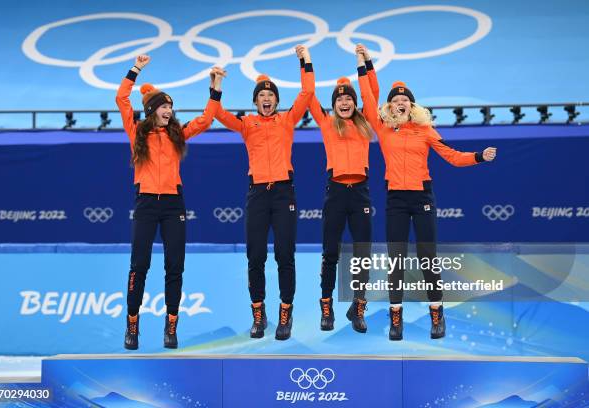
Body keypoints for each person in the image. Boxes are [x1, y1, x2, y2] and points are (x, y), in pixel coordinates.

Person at [355, 44, 497, 341]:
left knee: (427, 258)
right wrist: (365, 63)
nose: (401, 102)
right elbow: (368, 96)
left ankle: (437, 316)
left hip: (422, 198)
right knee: (395, 260)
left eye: (405, 99)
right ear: (390, 107)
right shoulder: (382, 128)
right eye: (396, 100)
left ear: (412, 106)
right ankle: (396, 320)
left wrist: (479, 156)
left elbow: (452, 156)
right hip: (395, 198)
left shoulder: (425, 130)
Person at [116, 54, 223, 350]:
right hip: (147, 204)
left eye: (171, 106)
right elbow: (121, 98)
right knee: (139, 266)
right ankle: (132, 327)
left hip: (174, 205)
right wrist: (135, 69)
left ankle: (171, 328)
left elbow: (206, 118)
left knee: (175, 267)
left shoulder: (178, 134)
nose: (169, 110)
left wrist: (215, 88)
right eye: (164, 106)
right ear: (152, 110)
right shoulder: (138, 131)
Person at [209, 45, 314, 340]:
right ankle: (258, 315)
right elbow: (215, 112)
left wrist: (305, 61)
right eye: (261, 97)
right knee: (255, 257)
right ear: (255, 102)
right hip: (257, 194)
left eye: (270, 97)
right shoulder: (246, 124)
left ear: (276, 101)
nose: (266, 100)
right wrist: (216, 84)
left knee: (285, 256)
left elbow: (306, 94)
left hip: (283, 194)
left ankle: (285, 315)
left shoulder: (287, 120)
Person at [299, 45, 373, 333]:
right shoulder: (327, 123)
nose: (344, 102)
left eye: (348, 98)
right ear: (334, 104)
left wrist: (362, 63)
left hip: (361, 193)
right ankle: (326, 307)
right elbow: (307, 94)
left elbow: (369, 94)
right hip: (336, 192)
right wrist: (306, 61)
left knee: (362, 254)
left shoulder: (365, 122)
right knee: (330, 253)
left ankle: (358, 307)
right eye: (339, 99)